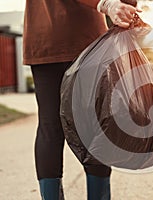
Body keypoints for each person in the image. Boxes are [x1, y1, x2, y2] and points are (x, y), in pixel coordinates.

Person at [23, 0, 139, 199]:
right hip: (86, 40)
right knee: (95, 126)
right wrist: (108, 4)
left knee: (49, 126)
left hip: (43, 38)